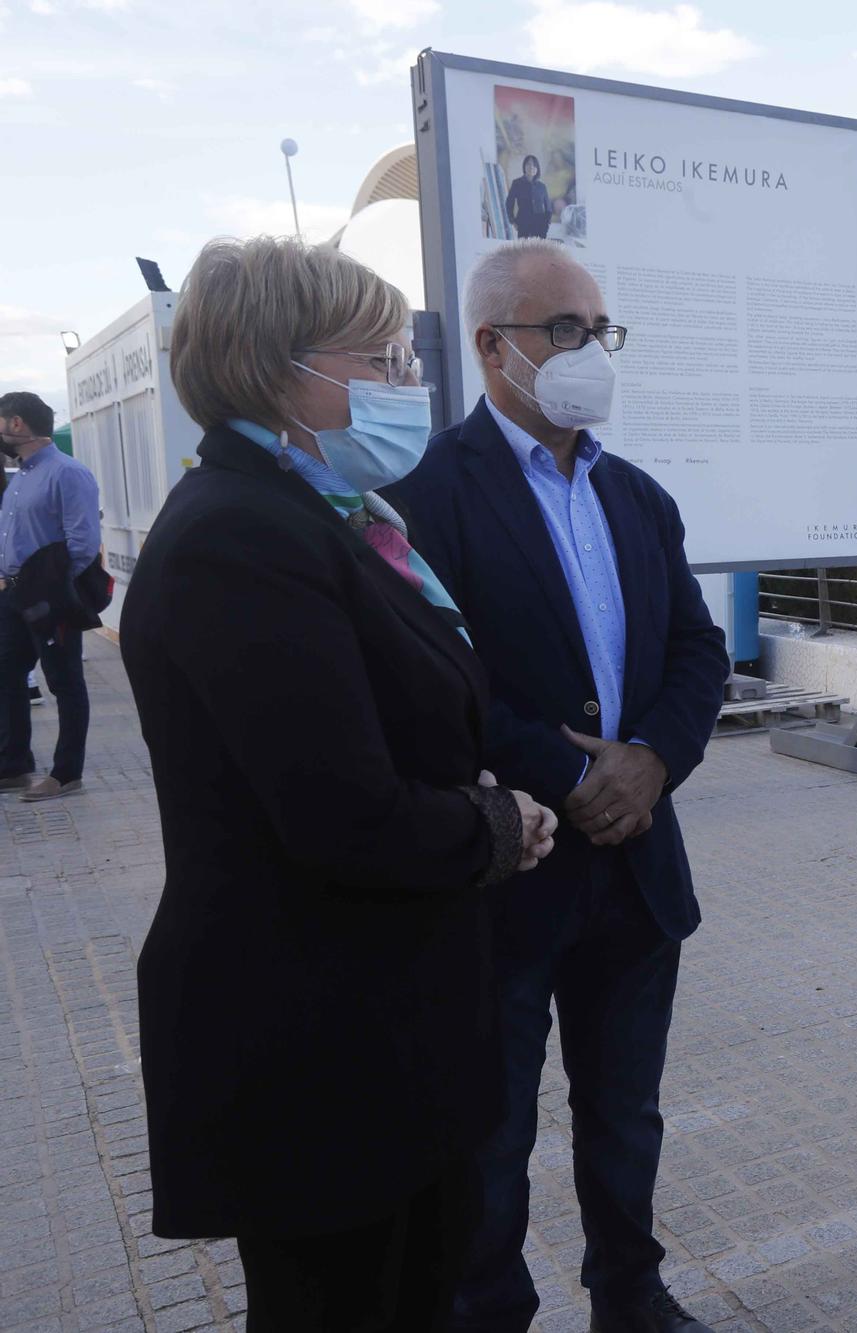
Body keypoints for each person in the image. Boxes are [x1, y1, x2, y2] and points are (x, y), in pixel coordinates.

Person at [120, 236, 559, 1329]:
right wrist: (496, 825)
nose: (407, 384)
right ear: (281, 369)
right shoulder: (240, 536)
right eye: (379, 358)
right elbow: (338, 813)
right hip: (316, 1042)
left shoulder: (335, 518)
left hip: (382, 1022)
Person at [393, 238, 731, 1333]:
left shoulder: (637, 496)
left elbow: (696, 652)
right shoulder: (425, 497)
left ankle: (629, 1294)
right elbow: (442, 683)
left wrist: (650, 762)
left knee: (625, 1114)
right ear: (494, 347)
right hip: (514, 863)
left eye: (599, 331)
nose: (590, 352)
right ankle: (489, 1308)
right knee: (490, 1128)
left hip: (635, 861)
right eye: (565, 330)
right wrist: (567, 770)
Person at [0, 390, 101, 800]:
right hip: (12, 595)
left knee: (64, 682)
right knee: (7, 674)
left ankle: (66, 773)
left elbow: (83, 542)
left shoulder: (67, 472)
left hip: (49, 597)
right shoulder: (21, 475)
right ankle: (13, 766)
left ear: (16, 423)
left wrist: (56, 589)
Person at [507, 155, 553, 240]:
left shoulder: (542, 187)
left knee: (539, 252)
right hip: (523, 224)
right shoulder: (517, 183)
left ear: (537, 169)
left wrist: (547, 223)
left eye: (534, 165)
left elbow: (548, 208)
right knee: (523, 251)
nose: (531, 167)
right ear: (524, 166)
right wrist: (512, 221)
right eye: (528, 164)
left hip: (540, 226)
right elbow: (509, 203)